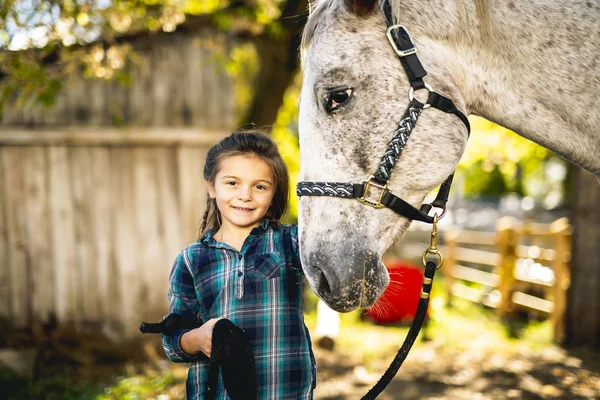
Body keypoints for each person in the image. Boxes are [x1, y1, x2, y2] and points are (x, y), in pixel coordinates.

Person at [161, 131, 316, 399]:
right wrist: (199, 338)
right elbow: (172, 341)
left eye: (260, 186)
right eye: (232, 183)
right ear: (212, 186)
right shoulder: (192, 260)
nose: (245, 195)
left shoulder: (292, 242)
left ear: (273, 192)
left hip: (286, 391)